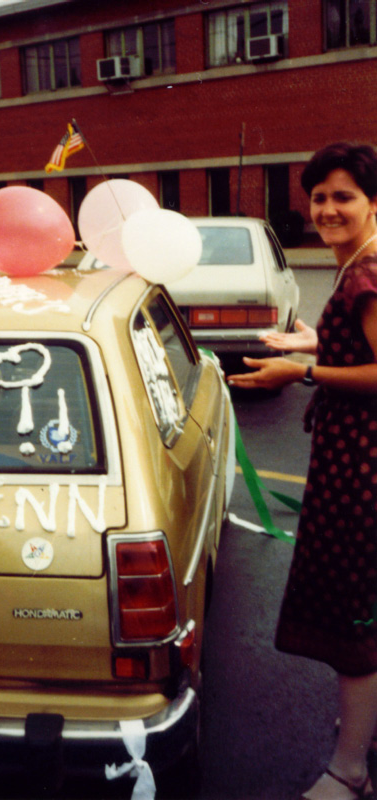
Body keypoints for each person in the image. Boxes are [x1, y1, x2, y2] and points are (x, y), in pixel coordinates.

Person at [228, 142, 377, 800]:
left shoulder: (369, 272)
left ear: (374, 203)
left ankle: (349, 771)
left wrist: (304, 370)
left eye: (343, 196)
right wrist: (312, 339)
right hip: (352, 459)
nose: (327, 209)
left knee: (355, 617)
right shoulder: (355, 269)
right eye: (318, 196)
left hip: (363, 470)